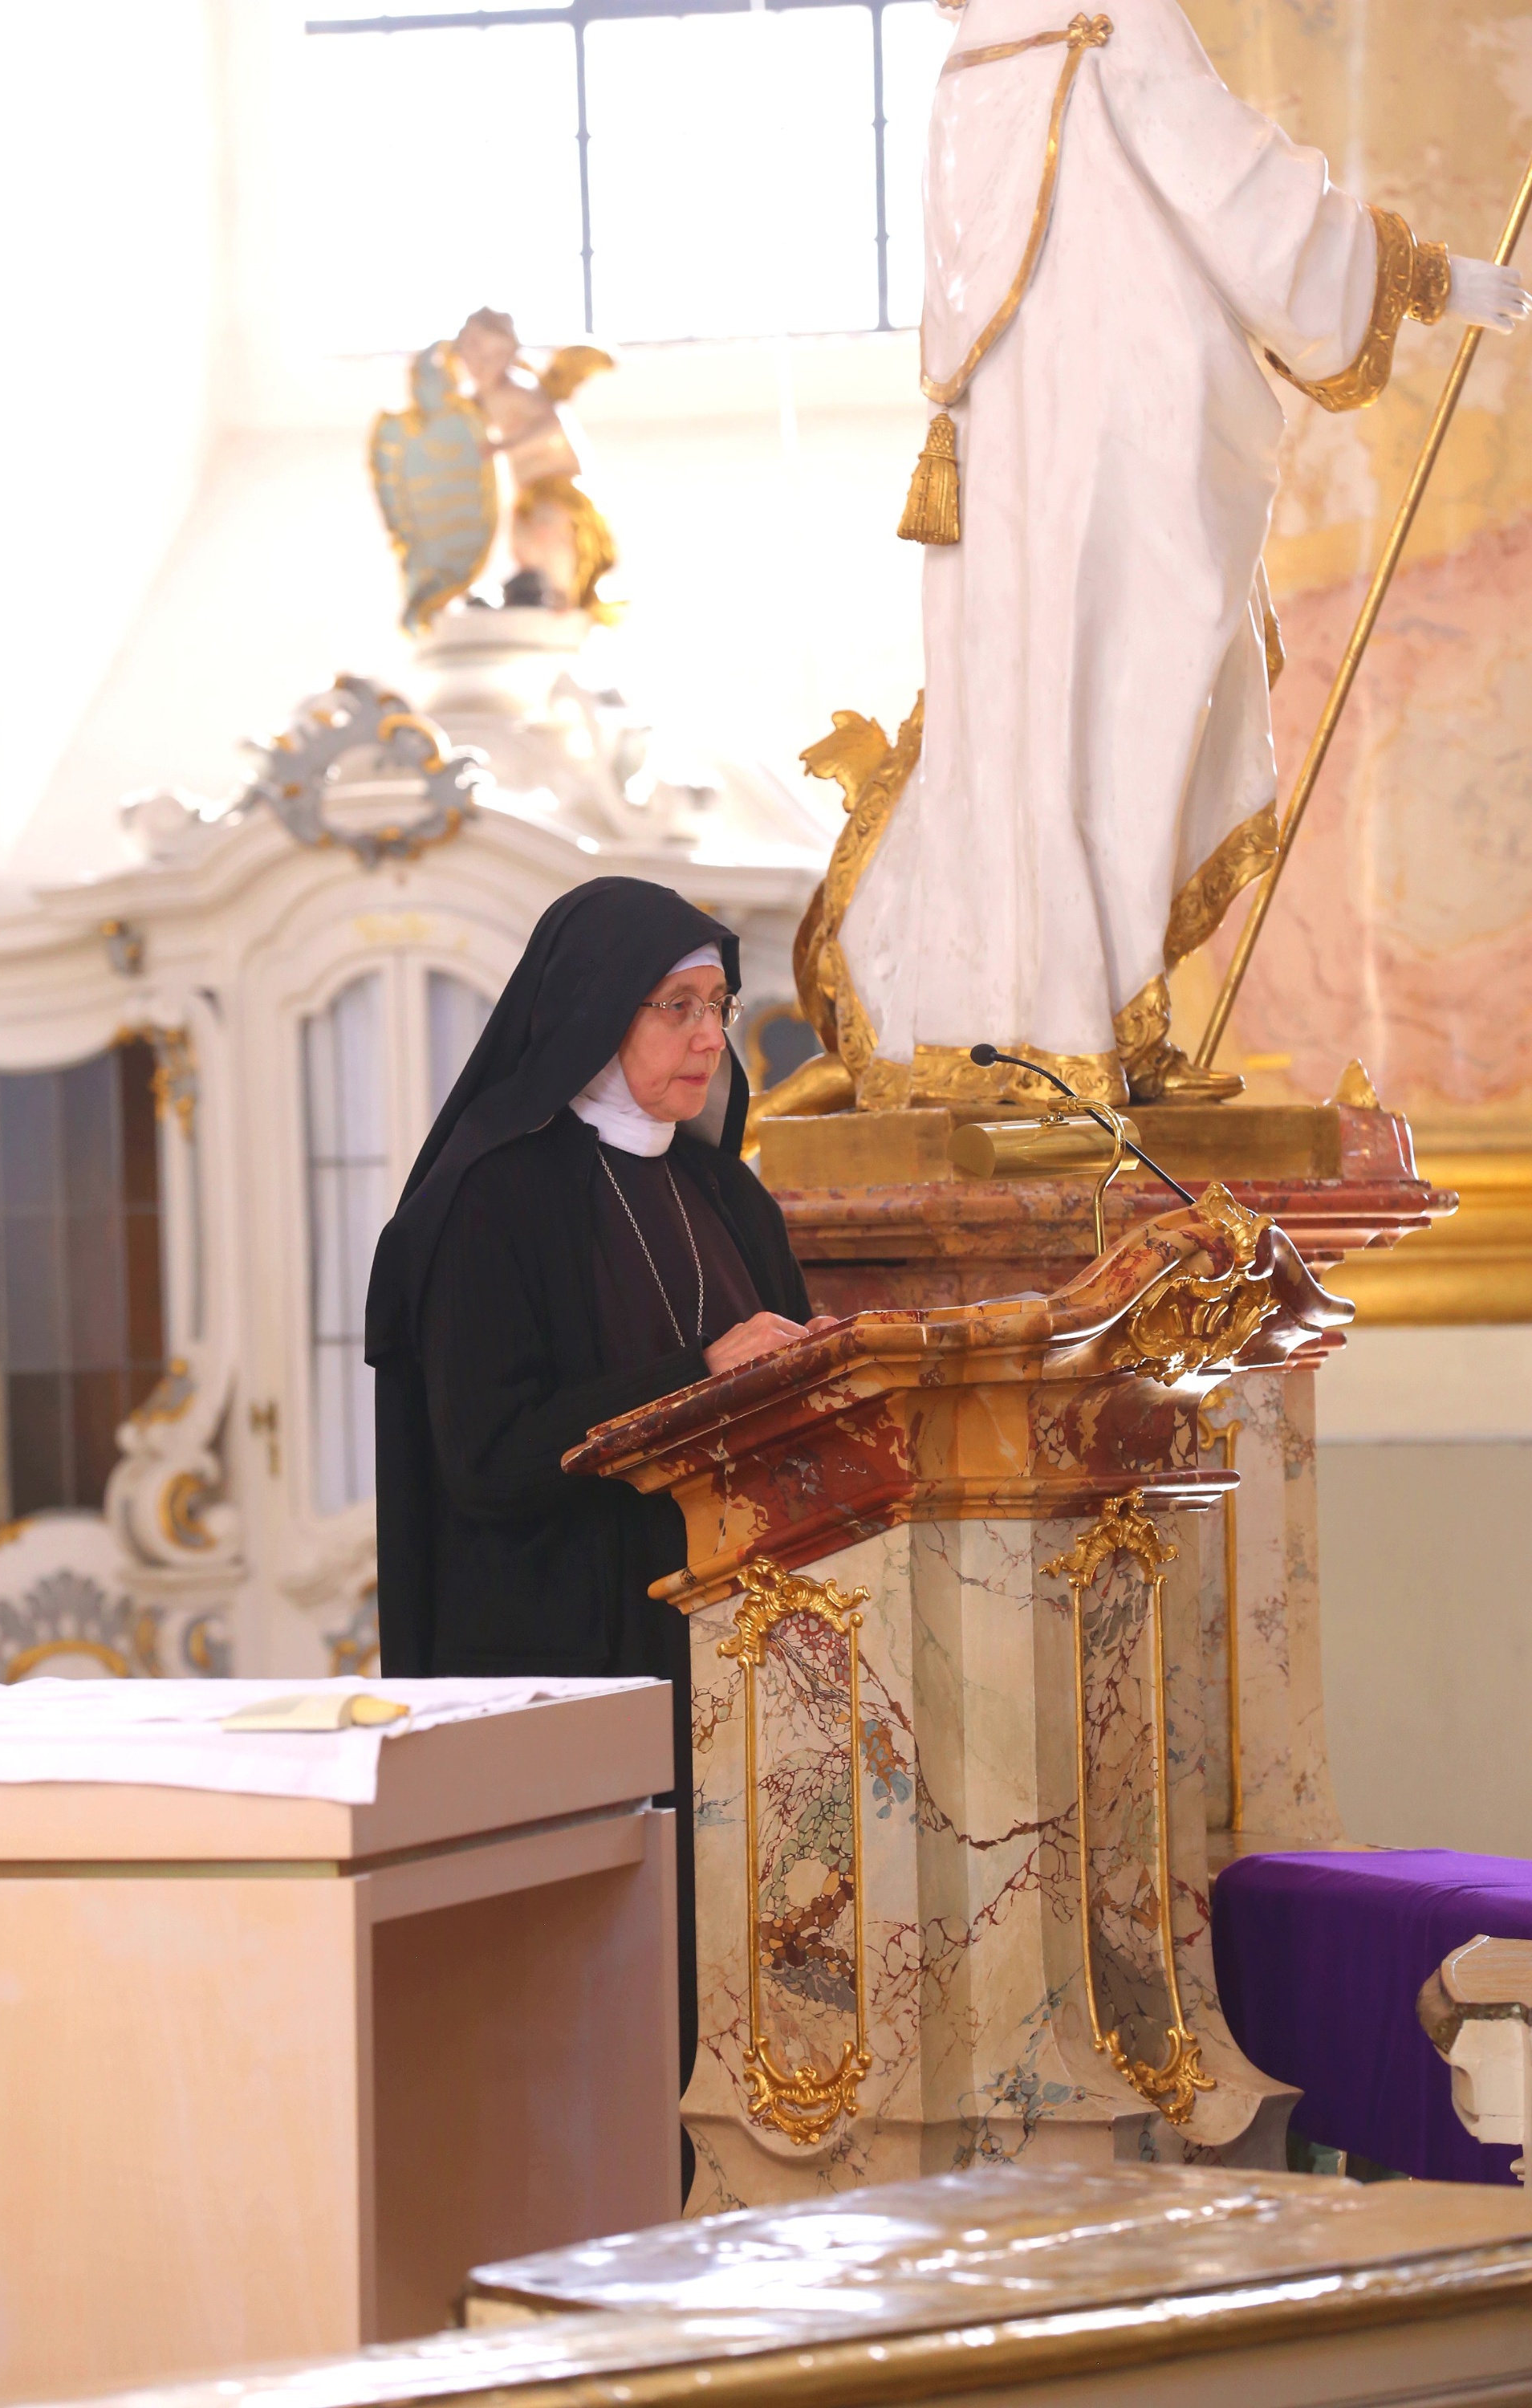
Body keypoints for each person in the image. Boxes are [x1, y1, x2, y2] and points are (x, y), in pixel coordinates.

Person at [823, 0, 1530, 1110]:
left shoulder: (973, 52)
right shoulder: (1107, 17)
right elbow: (1234, 184)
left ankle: (1041, 1026)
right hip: (1112, 425)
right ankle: (1074, 1030)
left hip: (1016, 446)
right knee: (1126, 701)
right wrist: (1429, 279)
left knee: (1045, 708)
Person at [364, 877, 831, 2174]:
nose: (707, 1041)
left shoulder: (728, 1200)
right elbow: (491, 1459)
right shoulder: (492, 1197)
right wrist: (700, 1372)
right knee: (593, 2040)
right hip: (568, 1663)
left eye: (720, 1010)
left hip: (736, 1669)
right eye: (677, 1007)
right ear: (588, 1013)